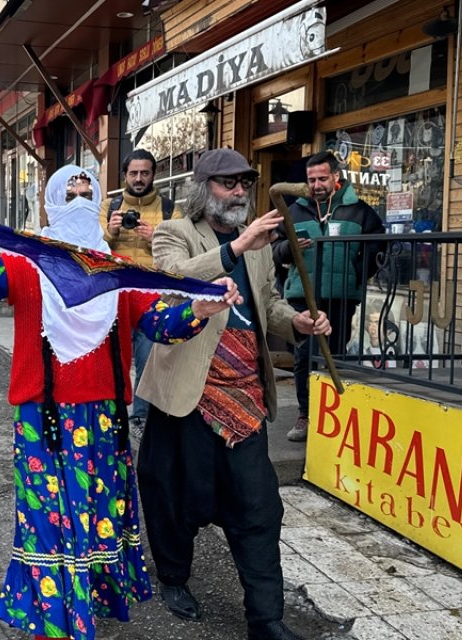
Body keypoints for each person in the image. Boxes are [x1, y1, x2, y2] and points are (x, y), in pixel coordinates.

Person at [0, 165, 241, 640]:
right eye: (71, 193)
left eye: (89, 193)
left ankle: (87, 603)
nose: (80, 201)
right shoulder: (25, 263)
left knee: (95, 513)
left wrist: (198, 310)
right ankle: (55, 618)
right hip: (42, 417)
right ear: (50, 203)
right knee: (47, 516)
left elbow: (159, 322)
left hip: (103, 418)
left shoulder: (117, 273)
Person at [137, 149, 330, 640]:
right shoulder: (173, 232)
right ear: (204, 190)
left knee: (259, 508)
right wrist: (237, 246)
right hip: (187, 395)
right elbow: (175, 280)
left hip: (244, 397)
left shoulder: (261, 245)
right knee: (174, 497)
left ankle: (266, 619)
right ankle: (175, 578)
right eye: (229, 184)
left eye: (245, 182)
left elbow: (268, 303)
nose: (241, 191)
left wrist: (299, 323)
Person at [271, 151, 384, 442]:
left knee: (336, 356)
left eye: (323, 178)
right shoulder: (293, 212)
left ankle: (334, 418)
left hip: (340, 297)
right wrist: (288, 251)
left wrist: (355, 274)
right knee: (304, 358)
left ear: (337, 176)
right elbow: (274, 250)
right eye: (312, 179)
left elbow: (377, 248)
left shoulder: (359, 211)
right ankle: (306, 415)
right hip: (301, 297)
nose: (317, 184)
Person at [99, 149, 180, 430]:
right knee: (113, 357)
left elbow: (181, 252)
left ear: (153, 174)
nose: (138, 178)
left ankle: (141, 416)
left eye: (144, 172)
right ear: (124, 175)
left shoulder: (169, 209)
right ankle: (113, 409)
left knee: (148, 359)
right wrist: (111, 231)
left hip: (152, 295)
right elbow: (91, 247)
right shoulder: (109, 206)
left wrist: (156, 238)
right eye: (133, 173)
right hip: (116, 294)